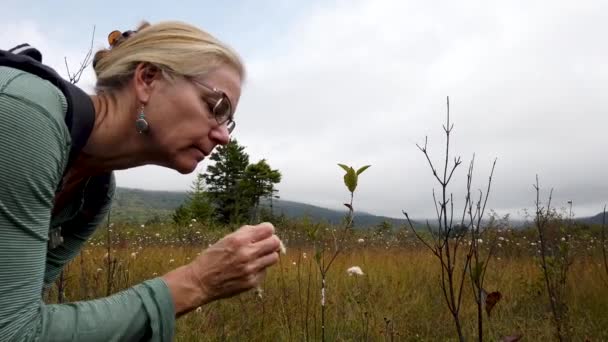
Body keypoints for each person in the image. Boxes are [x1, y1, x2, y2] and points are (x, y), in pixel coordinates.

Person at [0, 20, 282, 341]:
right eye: (215, 107)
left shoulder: (93, 194)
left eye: (228, 123)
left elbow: (24, 311)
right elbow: (13, 332)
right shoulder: (27, 115)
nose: (223, 137)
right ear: (147, 79)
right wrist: (195, 282)